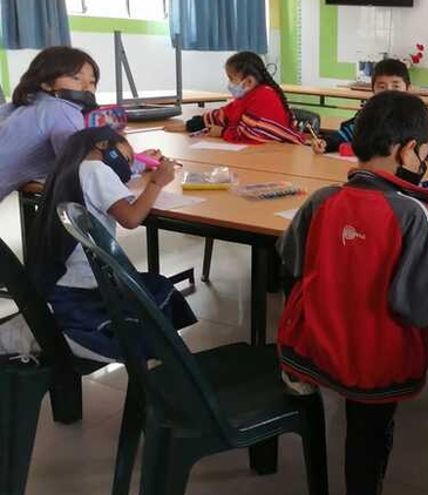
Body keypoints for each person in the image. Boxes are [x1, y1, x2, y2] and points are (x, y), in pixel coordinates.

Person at [276, 91, 428, 495]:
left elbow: (290, 260)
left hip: (314, 349)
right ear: (408, 150)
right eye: (424, 155)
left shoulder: (323, 199)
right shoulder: (414, 214)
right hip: (377, 364)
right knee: (368, 435)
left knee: (352, 414)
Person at [27, 126, 196, 363]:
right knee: (157, 290)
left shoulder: (66, 170)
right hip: (85, 285)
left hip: (57, 282)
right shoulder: (96, 170)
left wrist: (139, 162)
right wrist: (157, 183)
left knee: (153, 286)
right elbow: (131, 218)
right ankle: (80, 340)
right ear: (103, 145)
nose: (127, 166)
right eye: (126, 159)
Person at [0, 46, 99, 201]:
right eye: (76, 78)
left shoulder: (23, 103)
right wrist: (134, 163)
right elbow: (83, 165)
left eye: (92, 82)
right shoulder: (63, 109)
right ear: (46, 83)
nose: (87, 87)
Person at [164, 51, 306, 144]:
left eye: (231, 78)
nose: (229, 84)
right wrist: (189, 125)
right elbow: (224, 114)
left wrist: (222, 132)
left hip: (275, 156)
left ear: (249, 81)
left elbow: (254, 135)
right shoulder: (248, 96)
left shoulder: (265, 95)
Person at [311, 58, 412, 154]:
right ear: (373, 90)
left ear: (408, 88)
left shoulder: (414, 116)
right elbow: (348, 133)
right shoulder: (368, 114)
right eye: (382, 87)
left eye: (396, 86)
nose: (388, 91)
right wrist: (326, 143)